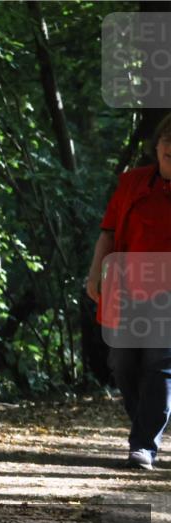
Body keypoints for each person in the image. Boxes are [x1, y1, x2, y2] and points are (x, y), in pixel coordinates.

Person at [86, 113, 171, 471]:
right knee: (122, 364)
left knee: (159, 365)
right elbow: (107, 233)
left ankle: (143, 444)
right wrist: (94, 275)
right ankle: (147, 426)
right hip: (127, 290)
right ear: (157, 145)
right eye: (169, 141)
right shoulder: (133, 183)